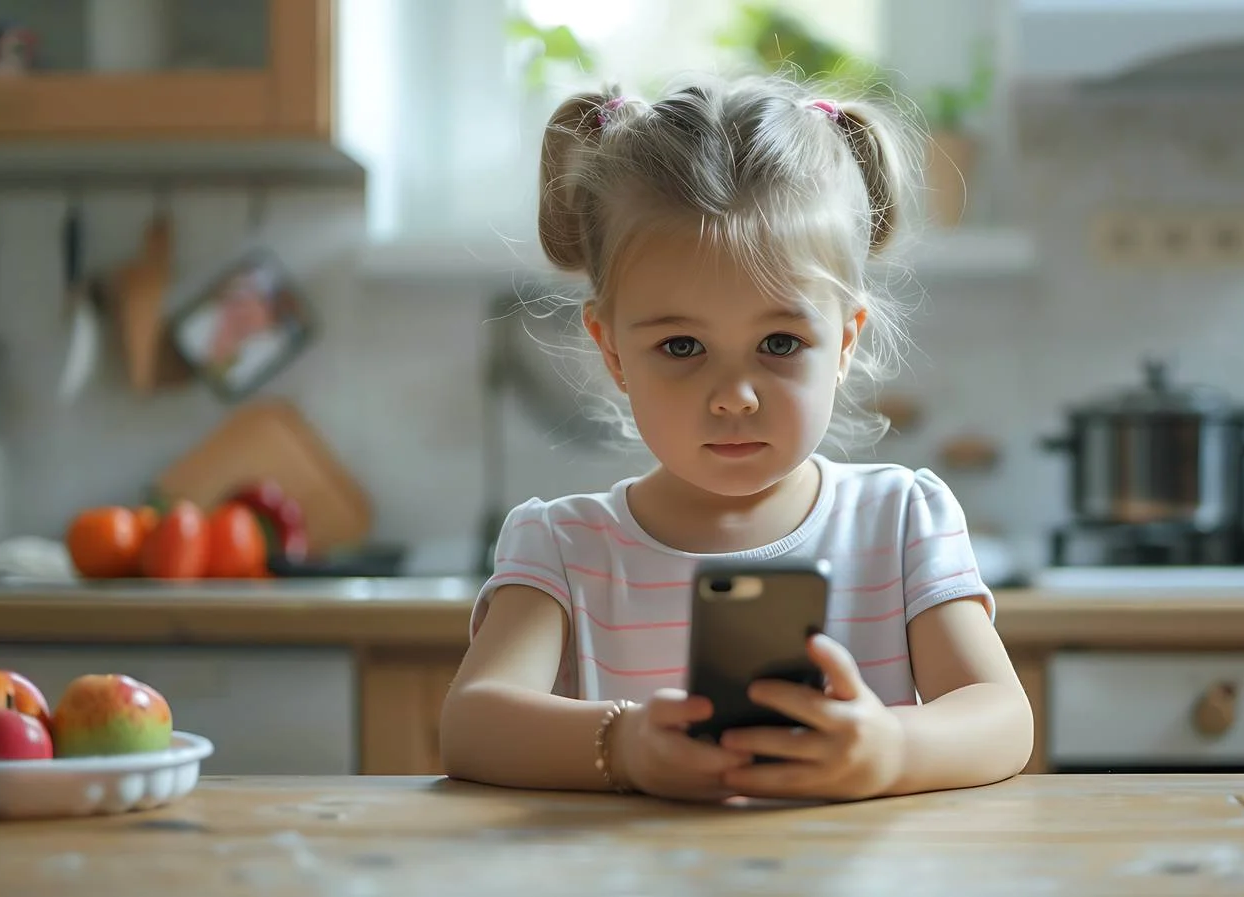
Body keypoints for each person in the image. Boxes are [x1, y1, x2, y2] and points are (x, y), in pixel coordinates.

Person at [441, 73, 1034, 803]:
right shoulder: (561, 547)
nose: (734, 396)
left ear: (845, 341)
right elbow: (471, 724)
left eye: (780, 343)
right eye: (683, 347)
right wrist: (621, 745)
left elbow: (1003, 717)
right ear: (612, 350)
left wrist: (892, 750)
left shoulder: (904, 521)